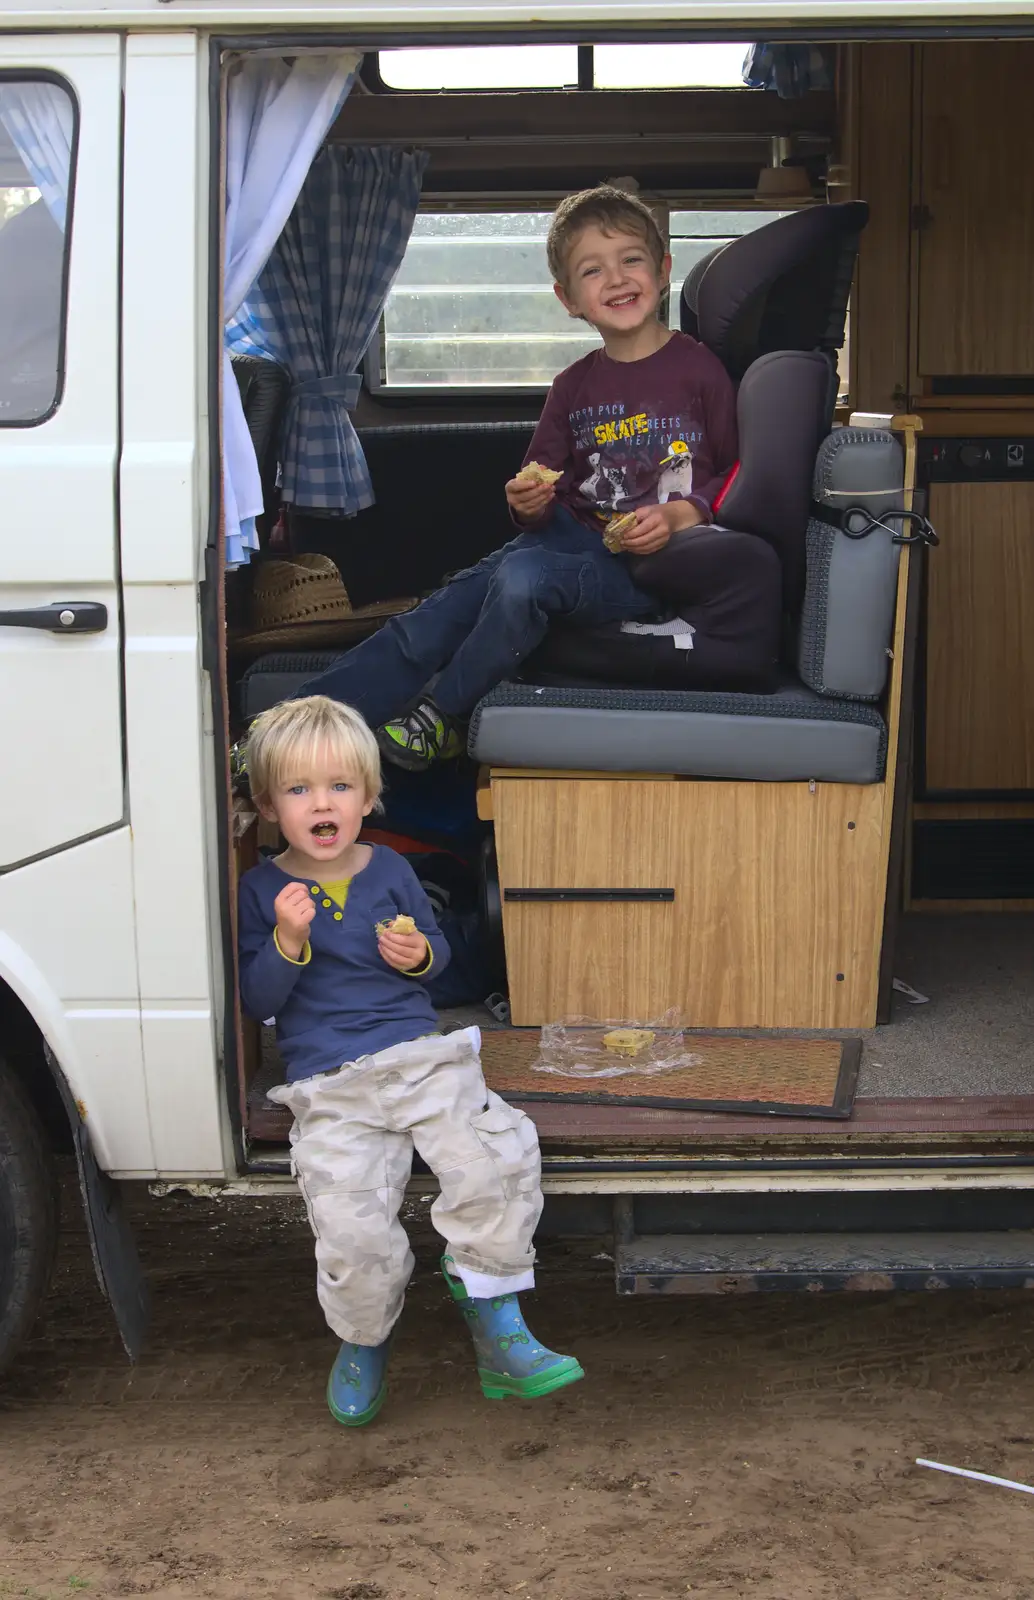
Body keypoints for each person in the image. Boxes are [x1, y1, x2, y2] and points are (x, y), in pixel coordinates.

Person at [298, 184, 743, 770]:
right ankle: (286, 732)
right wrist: (527, 501)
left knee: (522, 576)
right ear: (568, 298)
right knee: (429, 620)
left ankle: (444, 715)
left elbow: (738, 471)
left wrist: (682, 515)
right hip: (568, 541)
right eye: (592, 270)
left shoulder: (700, 370)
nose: (615, 278)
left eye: (631, 259)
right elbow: (541, 496)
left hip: (654, 564)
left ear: (662, 270)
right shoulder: (573, 386)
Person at [237, 694, 583, 1426]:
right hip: (330, 1083)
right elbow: (259, 999)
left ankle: (498, 1322)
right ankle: (363, 1340)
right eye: (299, 790)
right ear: (270, 806)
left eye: (339, 787)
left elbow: (436, 960)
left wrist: (418, 953)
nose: (321, 803)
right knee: (350, 1219)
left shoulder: (390, 869)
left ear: (368, 797)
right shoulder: (263, 889)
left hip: (421, 1060)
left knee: (495, 1159)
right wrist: (287, 942)